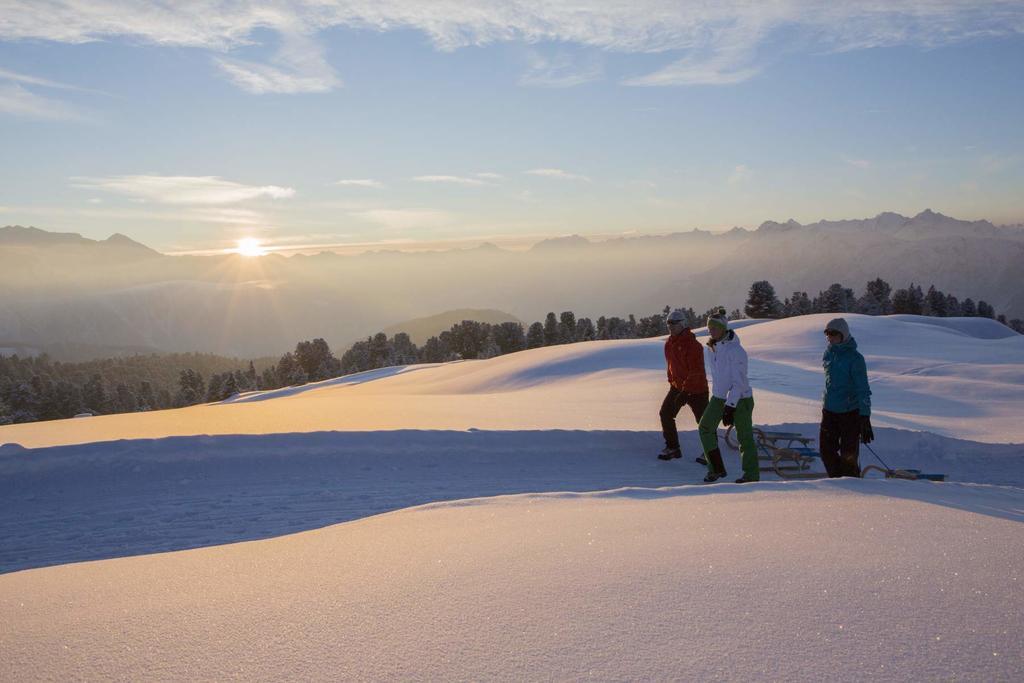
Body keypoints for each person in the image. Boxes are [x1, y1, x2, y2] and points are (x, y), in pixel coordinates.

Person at [698, 309, 759, 483]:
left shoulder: (736, 351)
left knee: (744, 437)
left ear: (723, 329)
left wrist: (730, 406)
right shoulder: (712, 348)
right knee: (705, 428)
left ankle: (751, 476)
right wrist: (720, 400)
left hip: (741, 399)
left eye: (715, 328)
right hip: (719, 398)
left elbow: (739, 383)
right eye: (709, 328)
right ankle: (716, 469)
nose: (711, 331)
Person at [820, 318, 873, 477]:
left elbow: (863, 388)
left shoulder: (855, 359)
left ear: (843, 335)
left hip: (850, 412)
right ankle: (838, 482)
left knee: (848, 456)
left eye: (834, 334)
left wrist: (865, 416)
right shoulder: (828, 353)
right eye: (827, 334)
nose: (830, 337)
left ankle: (852, 485)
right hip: (829, 410)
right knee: (826, 452)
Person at [657, 309, 710, 461]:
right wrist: (672, 381)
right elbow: (671, 365)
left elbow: (695, 371)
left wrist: (685, 392)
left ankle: (710, 453)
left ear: (683, 324)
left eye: (674, 323)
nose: (670, 326)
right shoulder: (669, 344)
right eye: (668, 323)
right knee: (666, 414)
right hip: (677, 387)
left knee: (704, 422)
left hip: (697, 389)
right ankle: (673, 448)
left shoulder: (693, 345)